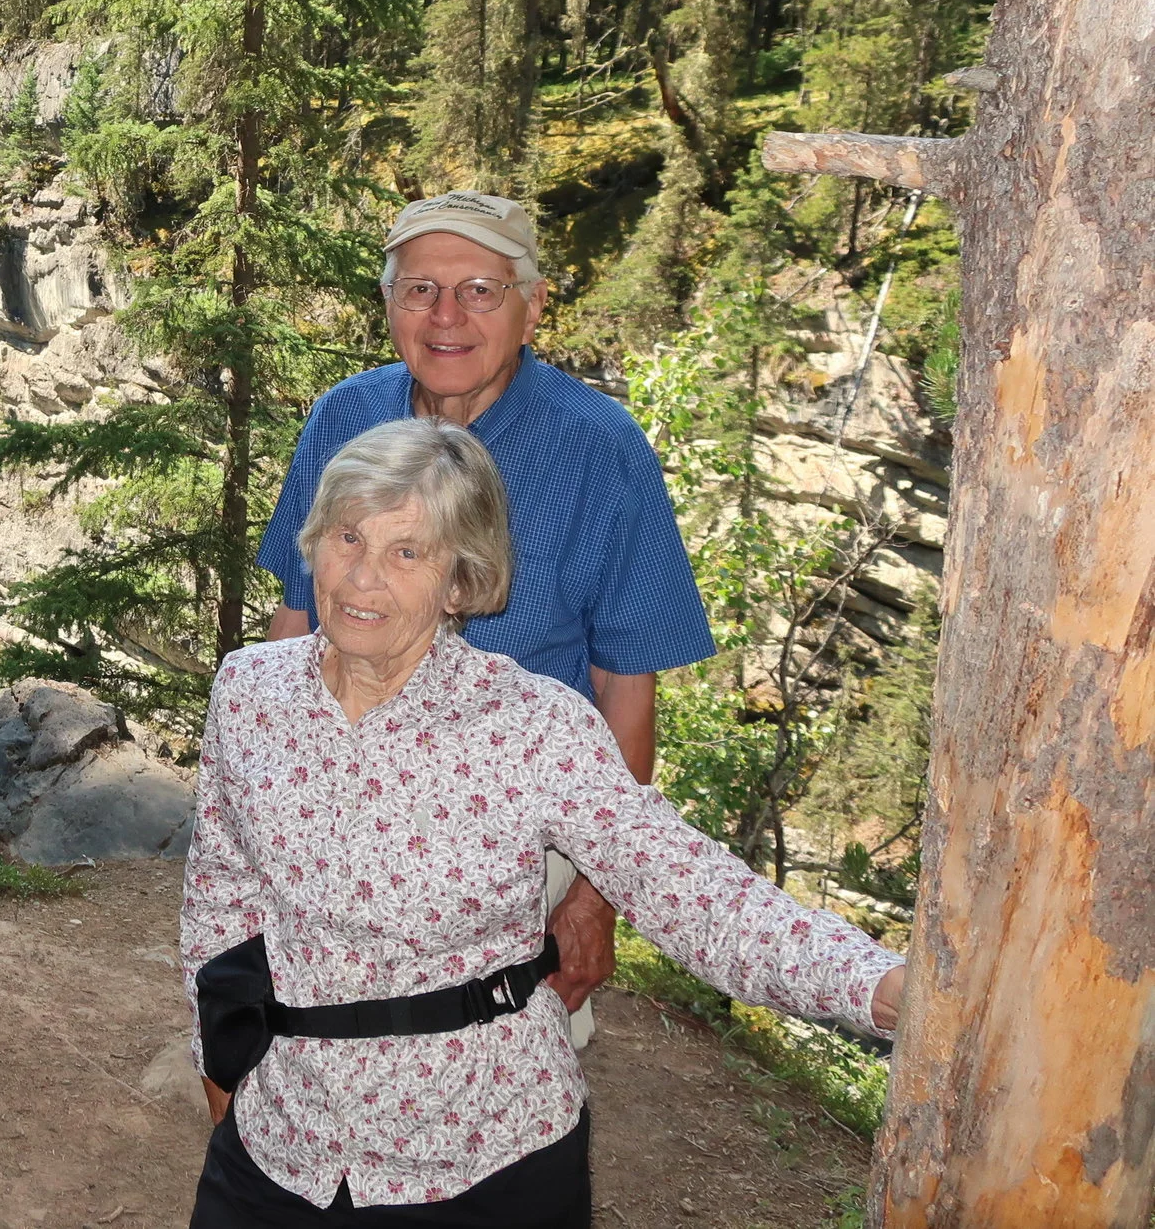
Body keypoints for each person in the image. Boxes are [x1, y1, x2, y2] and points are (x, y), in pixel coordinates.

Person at [188, 419, 904, 1226]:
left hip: (484, 1155)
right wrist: (218, 1060)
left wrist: (875, 985)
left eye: (407, 552)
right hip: (286, 1140)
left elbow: (681, 882)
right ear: (313, 539)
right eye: (347, 536)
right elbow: (222, 896)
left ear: (461, 582)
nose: (362, 576)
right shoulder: (251, 693)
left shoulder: (531, 725)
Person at [257, 190, 714, 1041]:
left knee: (502, 1073)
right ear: (390, 304)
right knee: (312, 1037)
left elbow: (625, 685)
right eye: (420, 289)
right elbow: (293, 618)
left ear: (532, 306)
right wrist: (266, 796)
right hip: (340, 804)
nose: (447, 316)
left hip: (514, 839)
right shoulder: (345, 416)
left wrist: (592, 890)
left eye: (480, 290)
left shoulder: (601, 448)